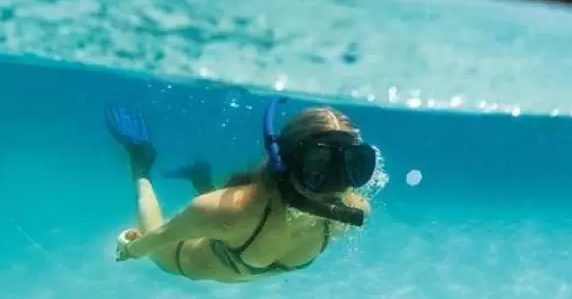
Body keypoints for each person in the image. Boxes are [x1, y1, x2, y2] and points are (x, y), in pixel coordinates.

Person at [106, 98, 377, 283]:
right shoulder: (226, 210)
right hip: (179, 258)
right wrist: (132, 249)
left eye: (354, 166)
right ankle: (141, 161)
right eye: (319, 166)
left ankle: (200, 177)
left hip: (228, 231)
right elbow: (158, 239)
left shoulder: (353, 210)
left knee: (224, 224)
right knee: (159, 256)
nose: (335, 185)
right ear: (284, 161)